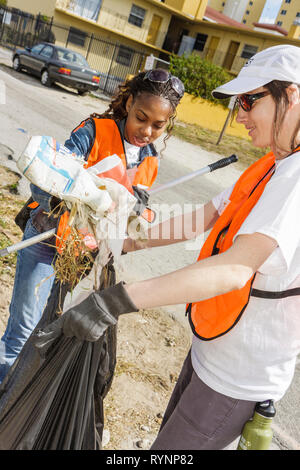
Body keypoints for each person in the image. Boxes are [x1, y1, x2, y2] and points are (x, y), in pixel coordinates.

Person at [49, 44, 300, 450]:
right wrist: (121, 243)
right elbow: (198, 220)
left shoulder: (296, 179)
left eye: (250, 100)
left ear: (292, 95)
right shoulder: (271, 165)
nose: (240, 115)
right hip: (211, 352)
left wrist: (114, 301)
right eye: (239, 102)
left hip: (237, 376)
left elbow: (234, 269)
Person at [0, 69, 185, 383]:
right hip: (47, 239)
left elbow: (130, 220)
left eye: (158, 125)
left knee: (53, 330)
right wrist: (86, 201)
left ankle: (22, 401)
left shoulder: (150, 161)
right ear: (127, 104)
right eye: (141, 118)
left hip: (83, 257)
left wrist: (135, 215)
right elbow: (44, 185)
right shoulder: (93, 131)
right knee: (23, 329)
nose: (147, 131)